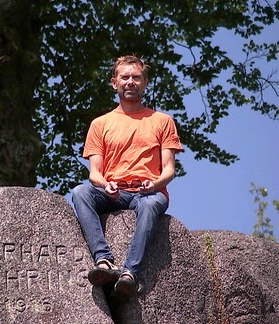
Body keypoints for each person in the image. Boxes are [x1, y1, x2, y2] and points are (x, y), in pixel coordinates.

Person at [72, 55, 183, 300]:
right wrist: (105, 184)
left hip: (149, 191)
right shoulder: (100, 124)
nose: (130, 82)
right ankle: (104, 261)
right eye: (125, 77)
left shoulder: (162, 121)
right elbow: (94, 173)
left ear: (145, 83)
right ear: (114, 83)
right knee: (80, 192)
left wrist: (154, 184)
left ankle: (130, 274)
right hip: (113, 191)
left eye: (136, 77)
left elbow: (169, 170)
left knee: (151, 205)